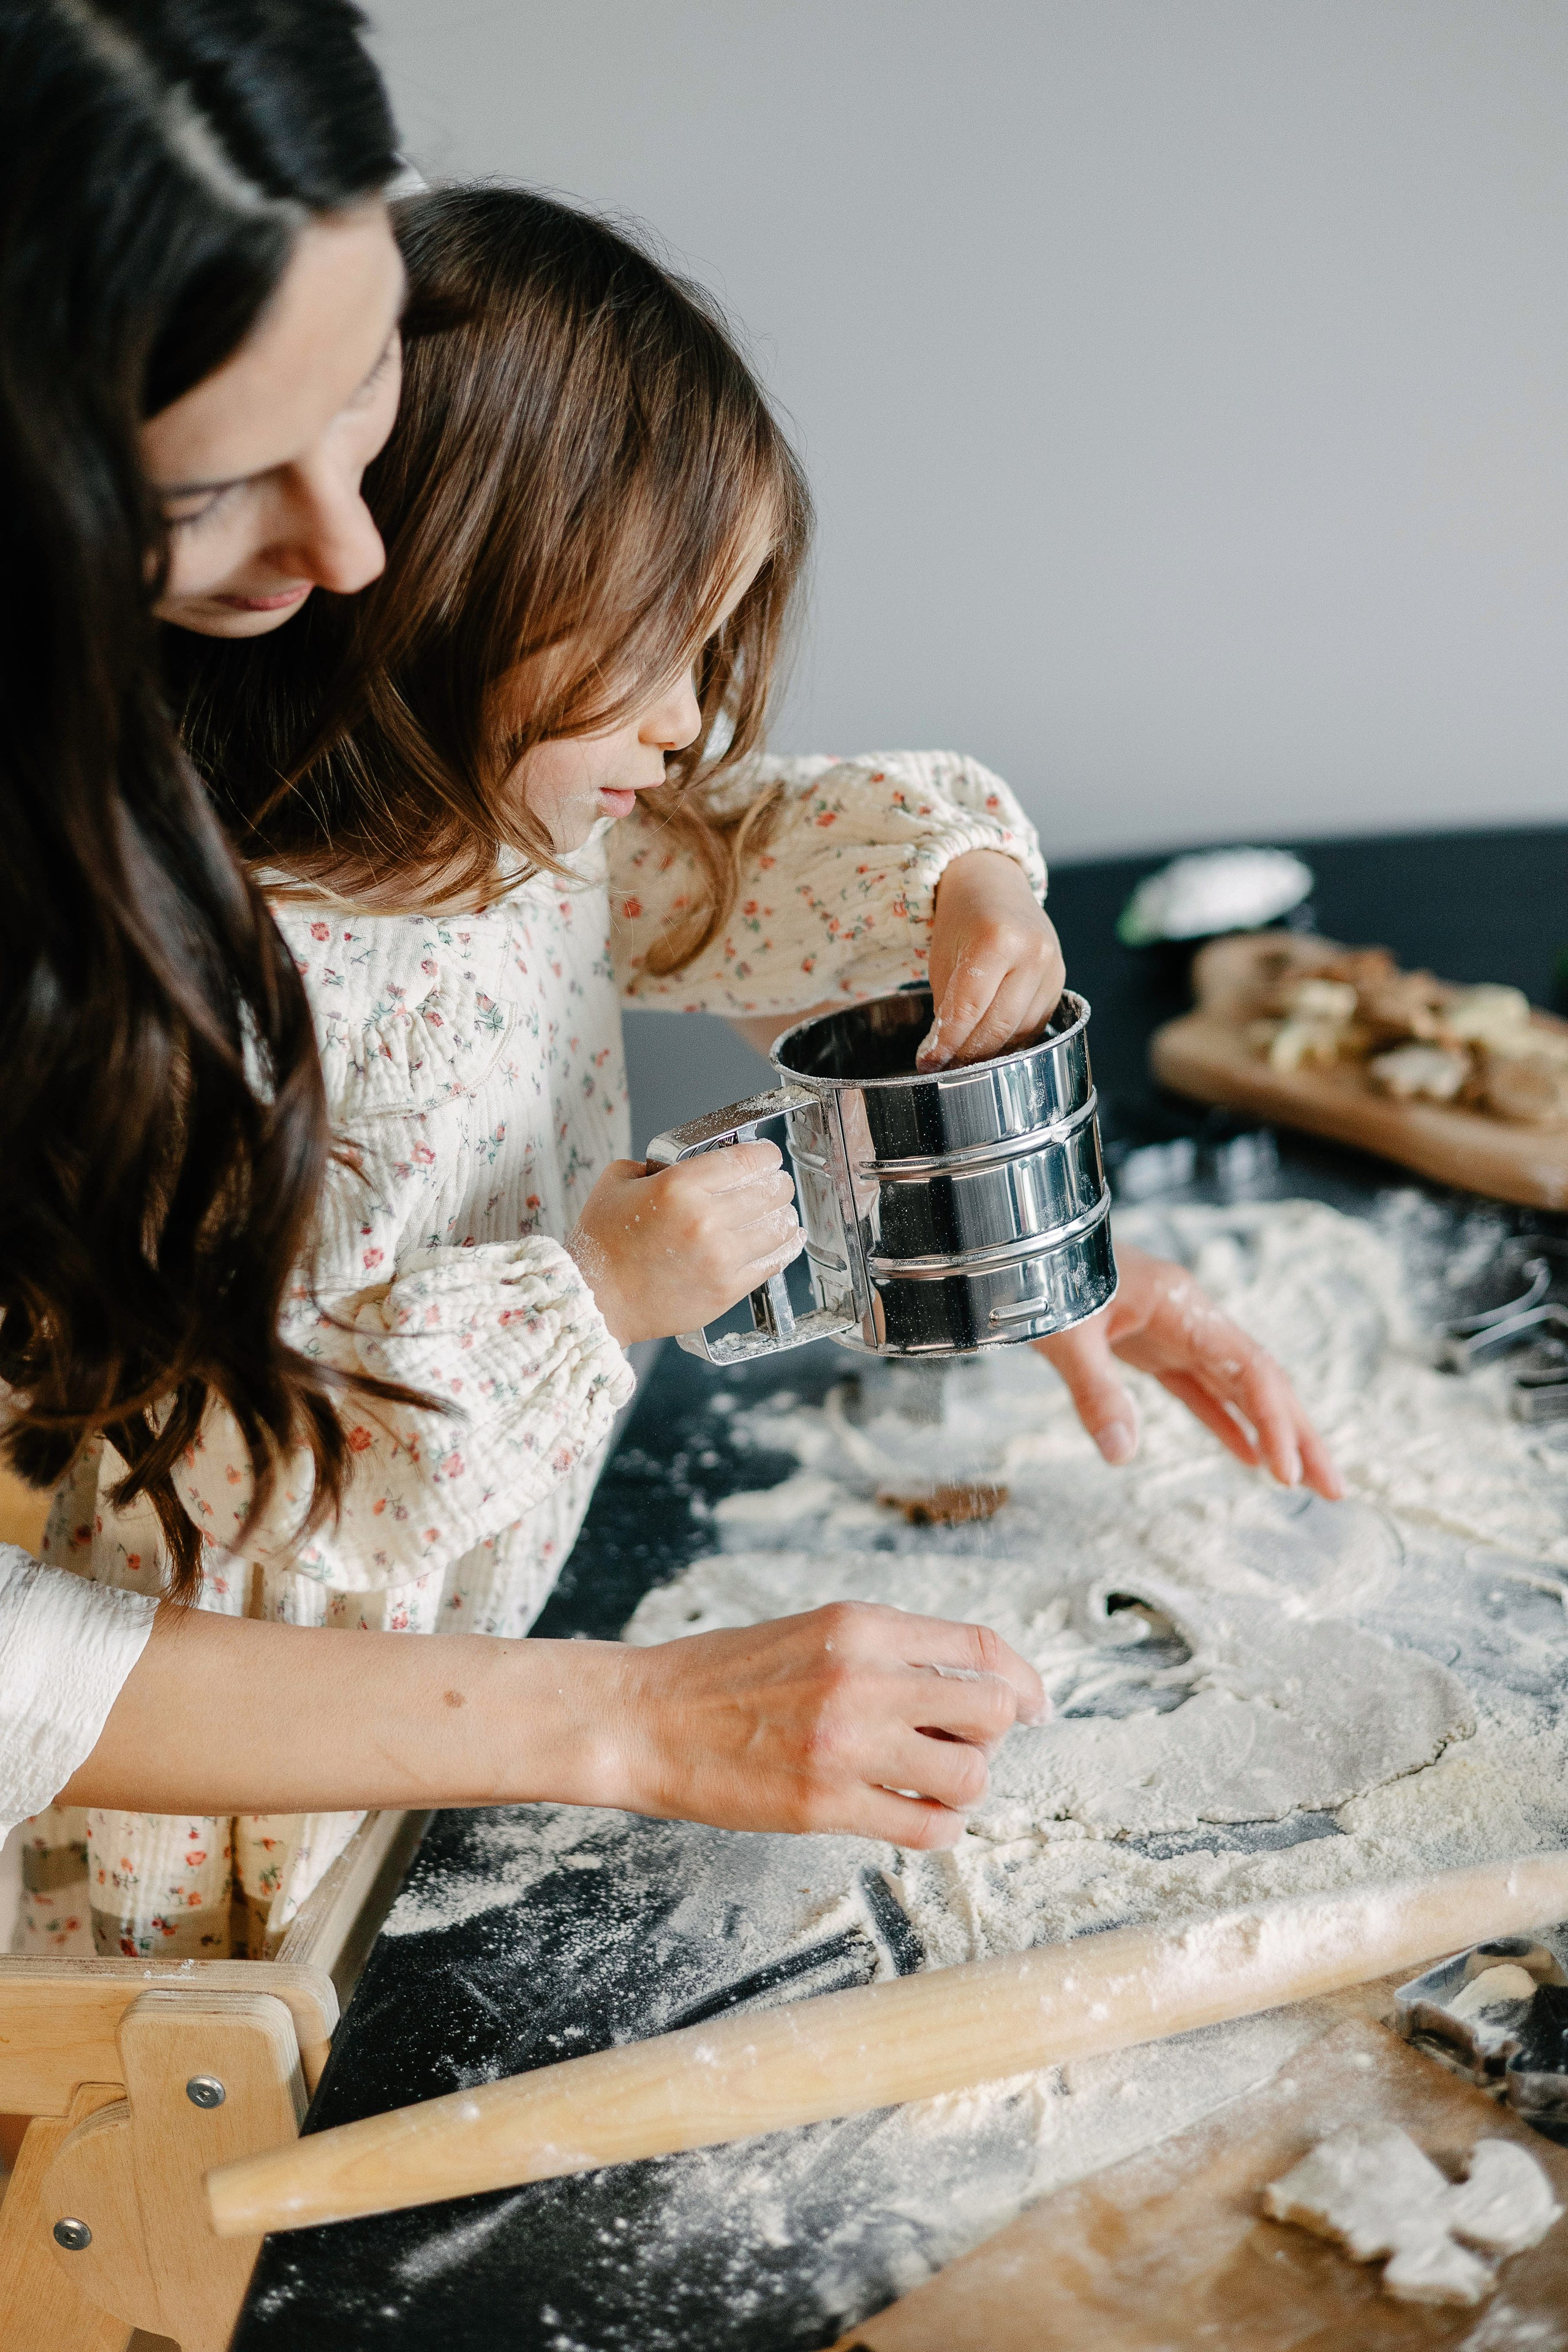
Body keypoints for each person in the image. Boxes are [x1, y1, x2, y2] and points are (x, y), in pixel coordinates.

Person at [34, 184, 1334, 1957]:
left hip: (483, 1611)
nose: (695, 716)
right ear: (425, 605)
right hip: (268, 1789)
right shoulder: (197, 989)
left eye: (713, 645)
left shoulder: (511, 838)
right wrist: (592, 1298)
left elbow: (763, 847)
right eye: (651, 650)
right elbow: (212, 1484)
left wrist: (965, 890)